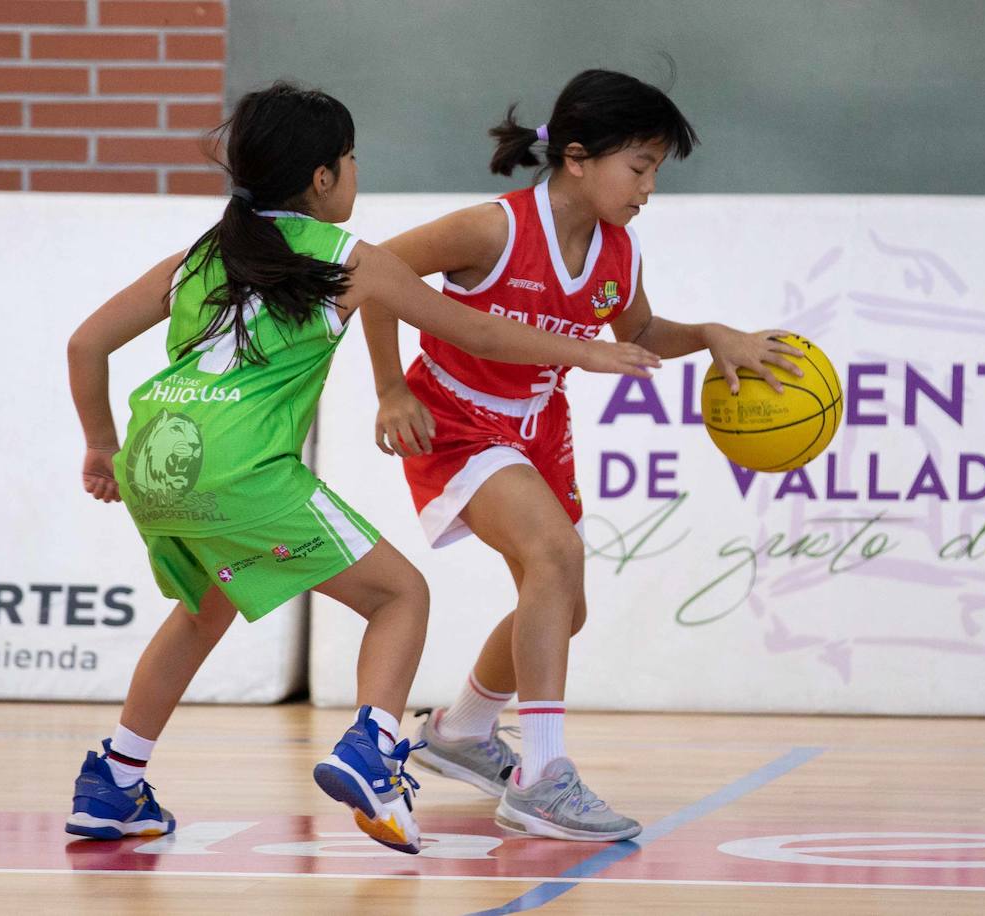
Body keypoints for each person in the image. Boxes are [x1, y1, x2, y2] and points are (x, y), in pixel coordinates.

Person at [63, 82, 660, 855]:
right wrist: (586, 349)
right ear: (322, 178)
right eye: (350, 160)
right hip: (238, 466)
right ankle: (374, 751)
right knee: (399, 594)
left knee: (201, 611)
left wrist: (101, 445)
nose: (354, 172)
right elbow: (474, 328)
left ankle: (113, 782)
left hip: (155, 456)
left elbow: (85, 343)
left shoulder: (200, 256)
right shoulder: (349, 260)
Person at [362, 69, 803, 842]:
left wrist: (709, 336)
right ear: (576, 157)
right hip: (454, 419)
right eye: (639, 167)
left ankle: (461, 731)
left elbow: (636, 333)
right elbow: (372, 277)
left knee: (565, 605)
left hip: (537, 423)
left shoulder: (618, 252)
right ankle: (541, 777)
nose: (648, 187)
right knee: (555, 554)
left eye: (656, 171)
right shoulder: (490, 229)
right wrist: (390, 388)